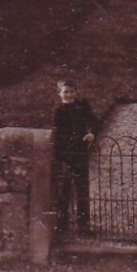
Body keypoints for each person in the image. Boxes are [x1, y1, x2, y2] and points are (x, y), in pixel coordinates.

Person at [53, 79, 98, 234]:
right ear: (60, 94)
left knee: (82, 188)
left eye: (71, 91)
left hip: (80, 153)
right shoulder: (58, 111)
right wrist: (75, 140)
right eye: (65, 92)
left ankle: (84, 225)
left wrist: (91, 132)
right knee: (64, 189)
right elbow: (57, 134)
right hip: (65, 154)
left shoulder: (82, 106)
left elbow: (92, 120)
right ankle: (62, 224)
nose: (69, 95)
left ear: (76, 92)